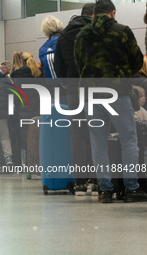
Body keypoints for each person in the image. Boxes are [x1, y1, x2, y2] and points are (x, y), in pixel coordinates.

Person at [74, 0, 145, 203]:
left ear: (94, 14)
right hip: (118, 93)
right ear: (113, 13)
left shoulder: (82, 35)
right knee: (129, 140)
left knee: (98, 143)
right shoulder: (122, 31)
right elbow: (137, 61)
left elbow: (79, 64)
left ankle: (105, 190)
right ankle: (131, 188)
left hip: (91, 94)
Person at [53, 3, 96, 196]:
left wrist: (65, 82)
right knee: (97, 133)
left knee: (77, 136)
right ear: (93, 15)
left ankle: (79, 183)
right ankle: (96, 182)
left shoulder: (64, 34)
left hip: (73, 88)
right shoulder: (96, 31)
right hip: (95, 87)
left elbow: (58, 65)